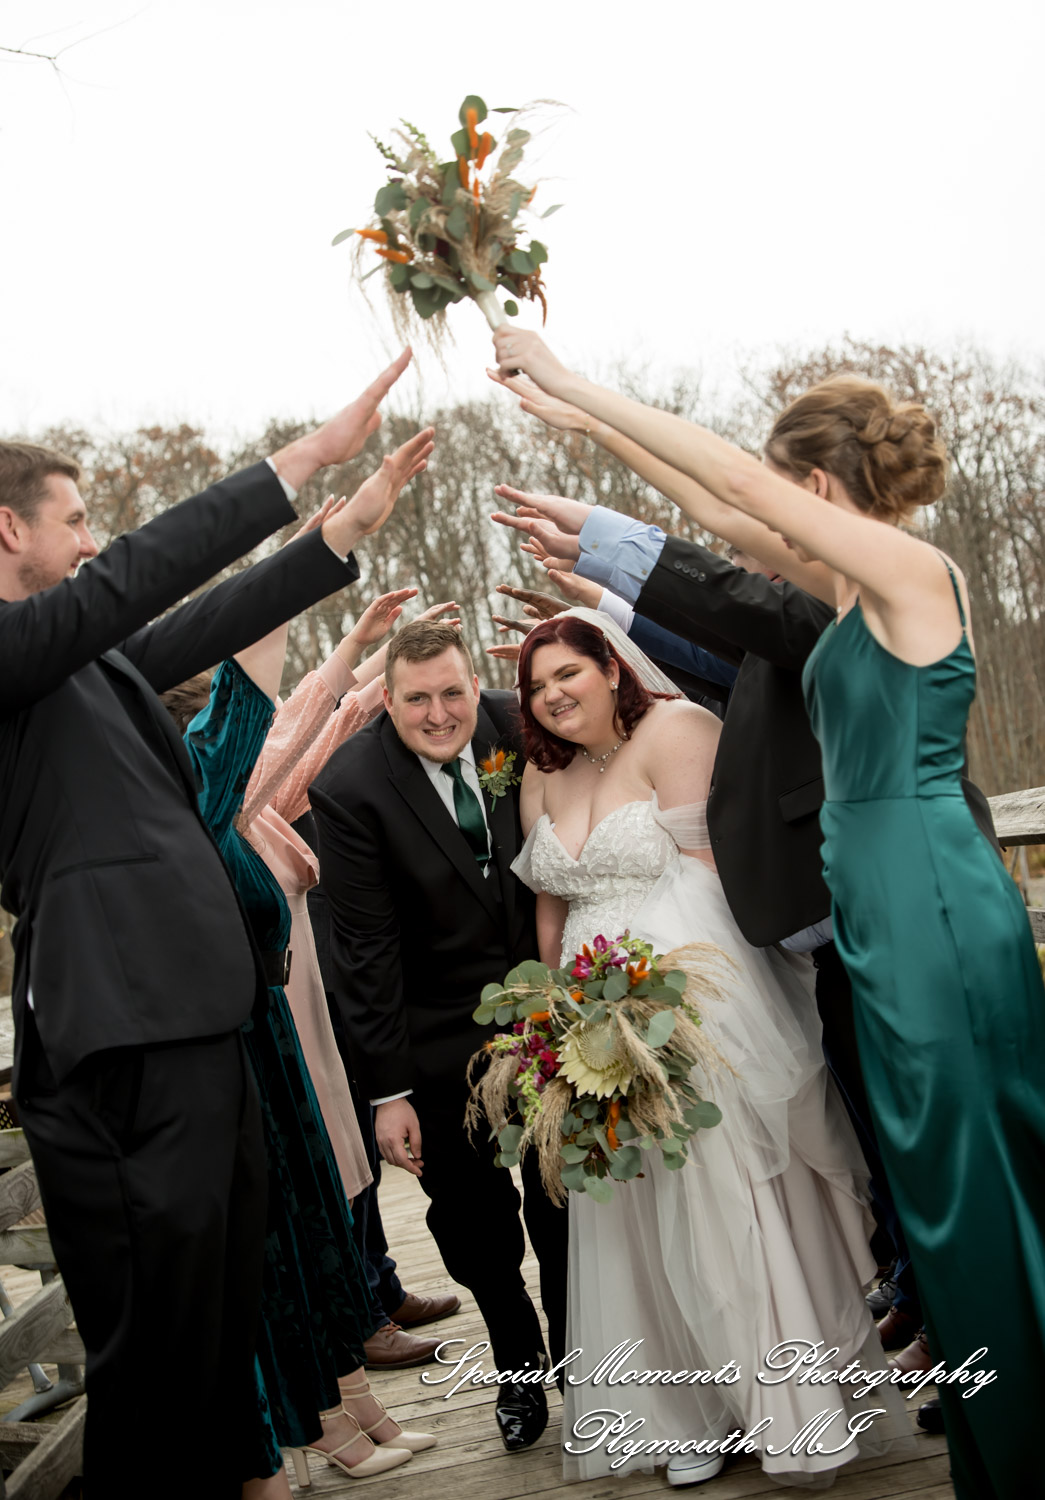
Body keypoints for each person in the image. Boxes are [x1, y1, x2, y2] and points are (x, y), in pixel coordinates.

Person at [495, 327, 1045, 1499]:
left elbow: (737, 493)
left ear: (812, 486)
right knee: (936, 1200)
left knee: (974, 1184)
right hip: (881, 920)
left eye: (779, 485)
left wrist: (579, 378)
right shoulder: (844, 594)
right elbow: (720, 510)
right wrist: (590, 434)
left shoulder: (911, 574)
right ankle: (998, 1439)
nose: (767, 509)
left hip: (935, 908)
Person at [0, 348, 412, 1499]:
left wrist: (333, 538)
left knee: (218, 1298)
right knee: (161, 1326)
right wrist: (299, 462)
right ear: (2, 531)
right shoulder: (12, 654)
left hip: (197, 1008)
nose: (90, 540)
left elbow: (208, 616)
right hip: (119, 1021)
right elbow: (132, 578)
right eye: (73, 520)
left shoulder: (85, 663)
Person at [510, 609, 911, 1487]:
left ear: (611, 668)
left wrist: (666, 999)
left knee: (719, 1194)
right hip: (588, 1018)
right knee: (631, 1210)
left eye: (566, 675)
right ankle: (678, 1414)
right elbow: (549, 906)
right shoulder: (542, 779)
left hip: (687, 1000)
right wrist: (554, 1019)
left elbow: (720, 871)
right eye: (537, 687)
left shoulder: (678, 728)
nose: (551, 697)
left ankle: (779, 1406)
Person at [170, 537, 440, 1494]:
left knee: (330, 1197)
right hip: (260, 1031)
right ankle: (328, 1405)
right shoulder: (215, 796)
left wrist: (369, 658)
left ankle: (345, 1381)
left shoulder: (249, 810)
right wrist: (334, 615)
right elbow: (288, 726)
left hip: (297, 1027)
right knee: (302, 1212)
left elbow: (312, 731)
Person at [310, 619, 569, 1453]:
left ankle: (583, 1360)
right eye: (416, 699)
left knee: (565, 1199)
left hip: (545, 1016)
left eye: (452, 692)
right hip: (434, 1035)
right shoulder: (349, 787)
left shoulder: (519, 727)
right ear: (385, 702)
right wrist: (387, 1091)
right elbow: (365, 952)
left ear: (473, 686)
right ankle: (516, 1359)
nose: (438, 714)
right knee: (472, 1222)